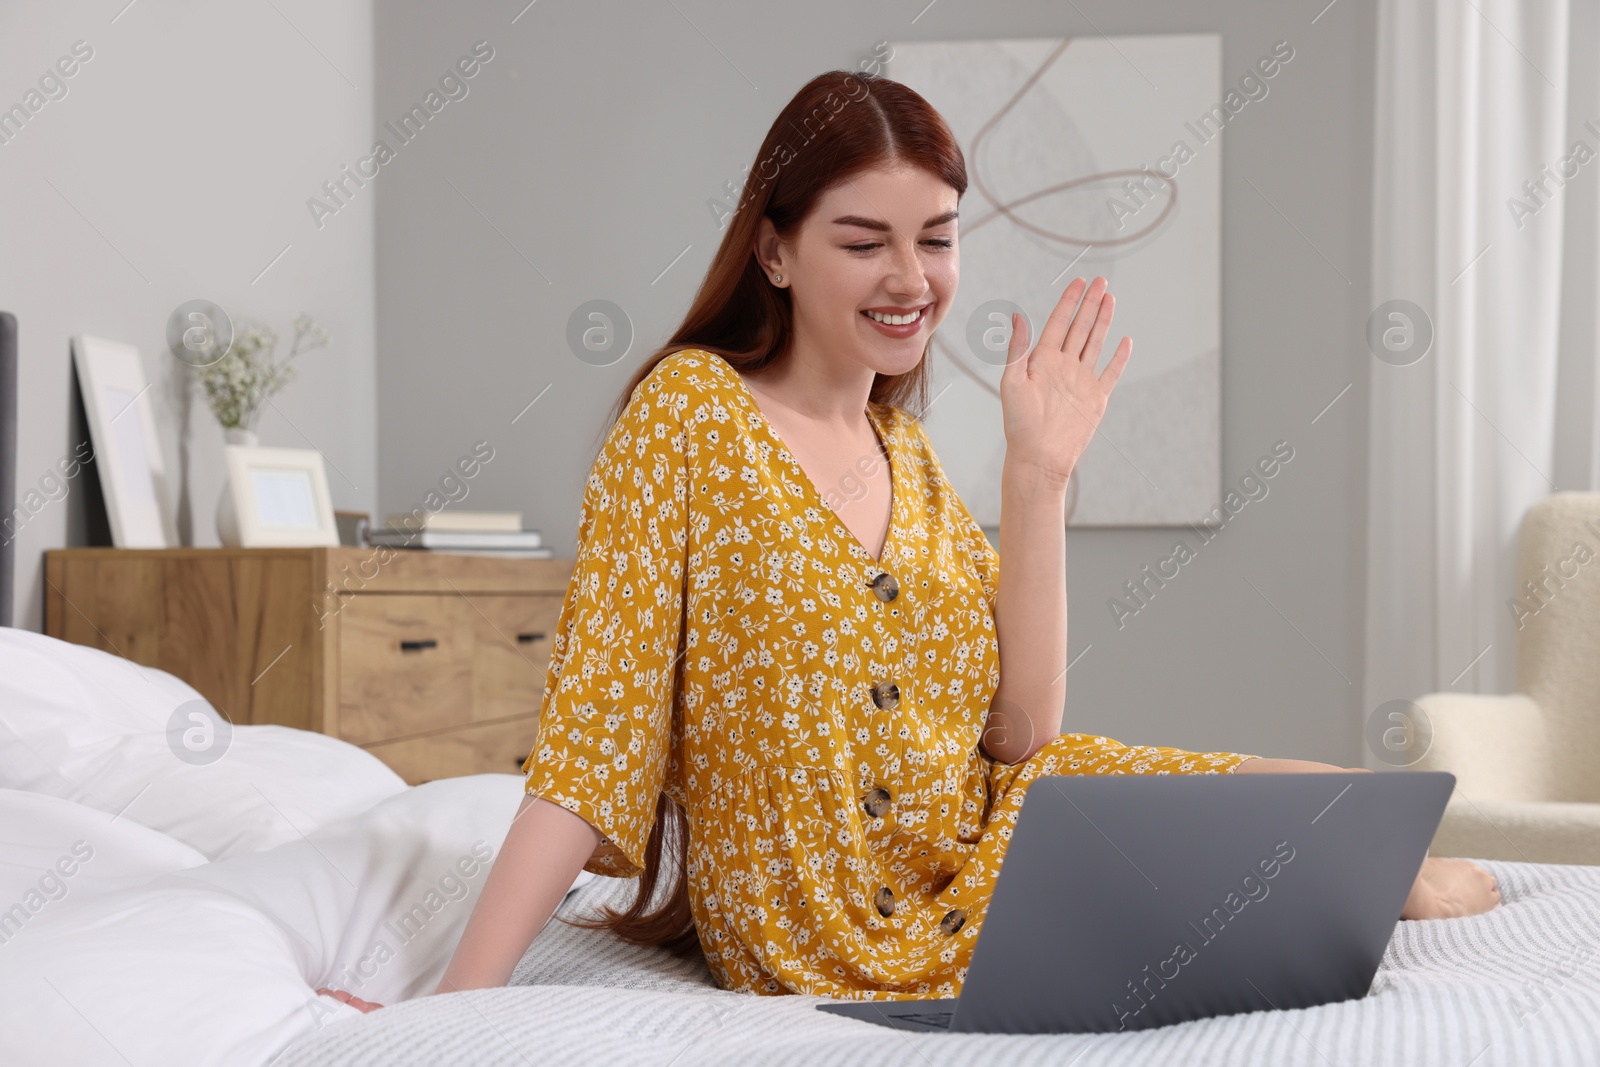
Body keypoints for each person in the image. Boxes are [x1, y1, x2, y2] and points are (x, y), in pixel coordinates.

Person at [319, 68, 1498, 1016]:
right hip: (837, 928)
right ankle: (1366, 892)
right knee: (1313, 856)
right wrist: (452, 1008)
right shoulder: (687, 414)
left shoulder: (915, 458)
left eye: (934, 239)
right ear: (773, 250)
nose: (908, 279)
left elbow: (1019, 730)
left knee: (1333, 799)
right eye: (863, 240)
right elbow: (593, 737)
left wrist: (1038, 478)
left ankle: (1370, 878)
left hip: (993, 837)